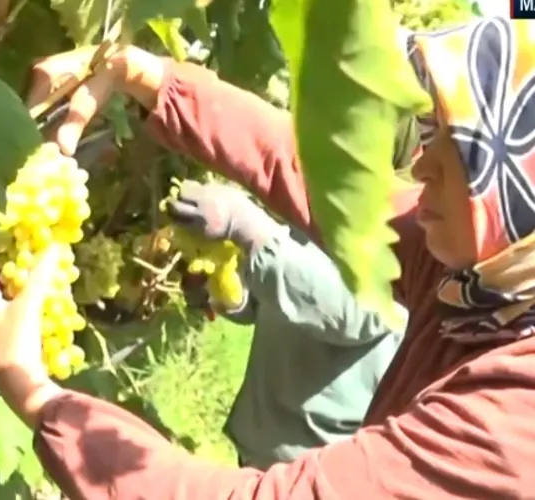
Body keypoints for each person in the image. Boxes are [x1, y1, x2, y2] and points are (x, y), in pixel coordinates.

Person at [0, 16, 535, 498]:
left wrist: (39, 395)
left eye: (458, 152)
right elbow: (327, 185)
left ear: (514, 189)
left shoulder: (515, 424)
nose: (419, 169)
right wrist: (148, 79)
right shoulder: (489, 278)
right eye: (430, 135)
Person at [173, 180, 407, 469]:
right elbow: (284, 299)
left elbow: (349, 312)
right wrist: (228, 293)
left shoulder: (411, 224)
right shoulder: (331, 200)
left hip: (311, 466)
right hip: (263, 444)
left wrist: (248, 227)